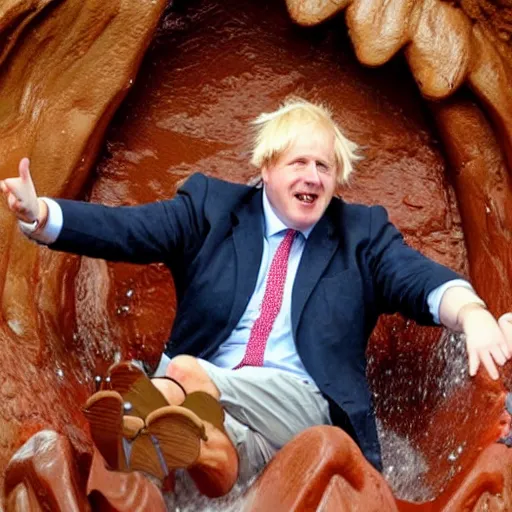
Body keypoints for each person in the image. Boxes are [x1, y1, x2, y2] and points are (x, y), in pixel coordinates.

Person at [2, 99, 512, 497]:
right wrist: (42, 215)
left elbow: (421, 281)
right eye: (299, 162)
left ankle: (134, 427)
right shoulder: (211, 208)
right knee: (211, 451)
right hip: (226, 417)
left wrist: (472, 313)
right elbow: (127, 229)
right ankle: (163, 441)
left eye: (325, 166)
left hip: (301, 407)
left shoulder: (361, 235)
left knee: (181, 372)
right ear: (266, 167)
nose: (313, 176)